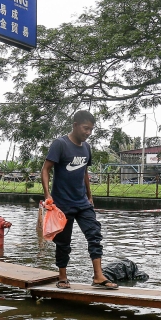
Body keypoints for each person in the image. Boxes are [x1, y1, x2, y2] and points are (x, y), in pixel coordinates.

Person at [41, 110, 118, 290]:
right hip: (62, 204)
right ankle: (62, 277)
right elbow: (45, 169)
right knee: (63, 242)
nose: (88, 132)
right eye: (85, 128)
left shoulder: (86, 148)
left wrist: (90, 196)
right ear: (75, 125)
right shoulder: (60, 144)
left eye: (91, 129)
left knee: (94, 234)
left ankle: (98, 276)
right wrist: (47, 195)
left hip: (82, 202)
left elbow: (84, 172)